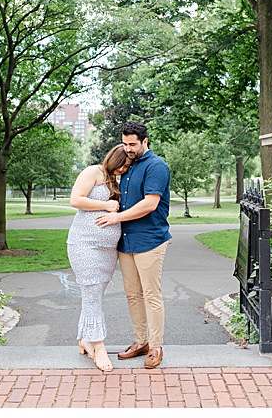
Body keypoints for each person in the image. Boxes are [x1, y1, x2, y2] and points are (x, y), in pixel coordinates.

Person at [95, 120, 171, 369]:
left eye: (132, 144)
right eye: (125, 143)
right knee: (133, 295)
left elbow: (150, 204)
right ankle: (141, 342)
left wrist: (116, 216)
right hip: (126, 242)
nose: (128, 148)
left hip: (150, 240)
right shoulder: (127, 167)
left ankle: (156, 346)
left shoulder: (156, 166)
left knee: (151, 294)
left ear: (145, 142)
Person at [67, 144, 131, 372]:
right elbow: (76, 200)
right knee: (92, 292)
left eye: (127, 166)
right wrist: (106, 205)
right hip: (84, 244)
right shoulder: (93, 172)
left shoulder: (119, 180)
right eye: (122, 165)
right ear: (114, 159)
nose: (124, 169)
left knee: (93, 293)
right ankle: (100, 346)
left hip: (107, 250)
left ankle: (85, 340)